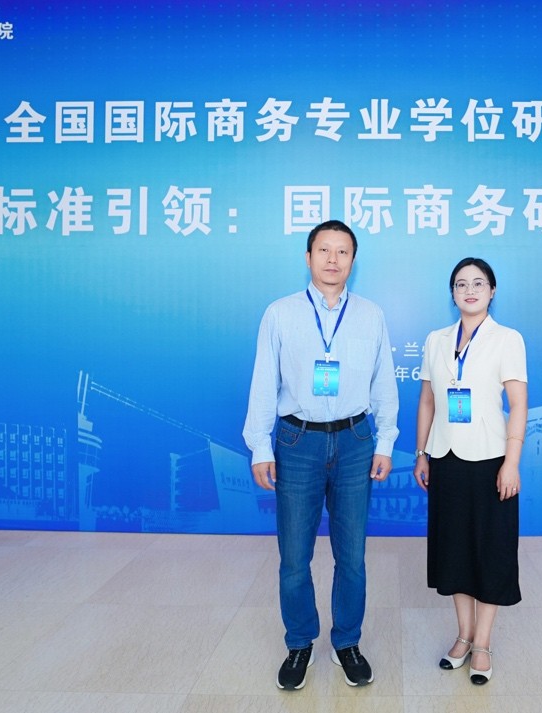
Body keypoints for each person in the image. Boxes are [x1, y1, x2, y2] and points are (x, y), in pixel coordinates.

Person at [244, 219, 399, 690]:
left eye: (343, 251)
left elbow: (383, 383)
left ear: (353, 260)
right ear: (308, 257)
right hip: (297, 442)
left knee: (352, 556)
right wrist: (260, 445)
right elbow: (264, 382)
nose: (333, 259)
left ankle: (347, 641)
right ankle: (299, 643)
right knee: (294, 557)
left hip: (355, 441)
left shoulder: (370, 314)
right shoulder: (280, 313)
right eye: (324, 250)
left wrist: (386, 441)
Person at [412, 257, 527, 685]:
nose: (470, 290)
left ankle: (483, 643)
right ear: (453, 293)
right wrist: (421, 453)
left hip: (490, 460)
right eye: (461, 284)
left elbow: (518, 404)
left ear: (492, 291)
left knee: (490, 551)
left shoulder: (507, 339)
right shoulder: (436, 340)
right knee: (455, 550)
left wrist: (511, 462)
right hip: (445, 458)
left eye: (479, 283)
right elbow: (428, 401)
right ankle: (462, 635)